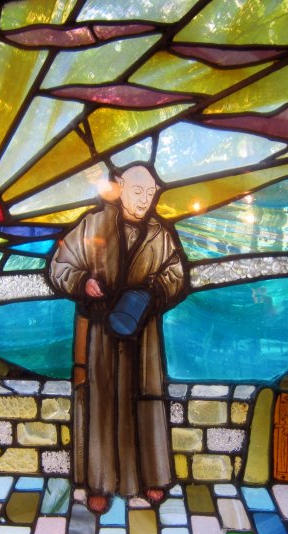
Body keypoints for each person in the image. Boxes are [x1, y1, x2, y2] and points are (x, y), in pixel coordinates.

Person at [48, 164, 187, 514]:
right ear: (120, 188)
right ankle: (100, 483)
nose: (144, 200)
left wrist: (153, 292)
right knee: (102, 403)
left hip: (143, 334)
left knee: (145, 401)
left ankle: (148, 477)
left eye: (150, 194)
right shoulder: (92, 225)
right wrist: (83, 282)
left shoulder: (160, 234)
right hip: (100, 334)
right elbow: (59, 267)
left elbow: (176, 274)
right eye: (137, 192)